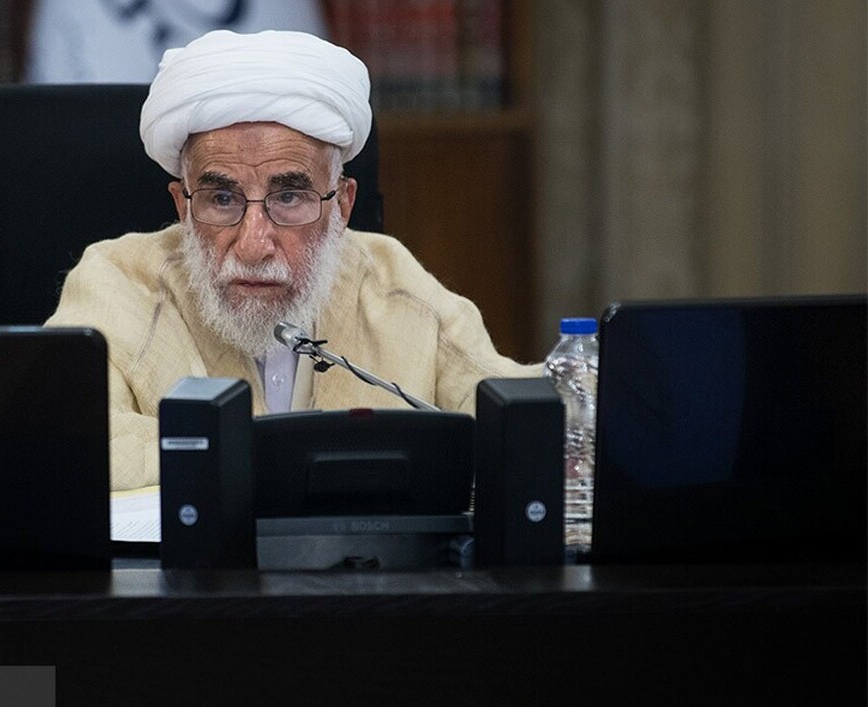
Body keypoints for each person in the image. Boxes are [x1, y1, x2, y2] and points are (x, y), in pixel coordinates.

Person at [45, 29, 539, 490]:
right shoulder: (116, 284)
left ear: (342, 205)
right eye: (222, 199)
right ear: (183, 206)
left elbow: (523, 420)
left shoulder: (394, 285)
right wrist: (274, 455)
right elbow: (64, 444)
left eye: (288, 198)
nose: (254, 244)